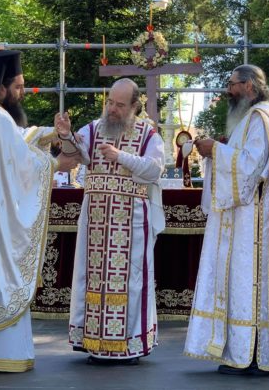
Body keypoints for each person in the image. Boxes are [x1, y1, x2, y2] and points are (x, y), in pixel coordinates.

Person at [0, 50, 80, 373]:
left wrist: (50, 132)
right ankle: (4, 353)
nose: (22, 92)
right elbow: (21, 163)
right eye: (18, 86)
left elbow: (17, 142)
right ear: (0, 87)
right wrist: (55, 165)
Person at [185, 64, 269, 374]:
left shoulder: (260, 117)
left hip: (254, 223)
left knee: (249, 282)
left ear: (249, 86)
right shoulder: (251, 118)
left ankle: (251, 354)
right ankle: (242, 351)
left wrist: (216, 151)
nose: (229, 90)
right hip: (244, 218)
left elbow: (251, 167)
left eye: (233, 84)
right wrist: (222, 148)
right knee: (241, 283)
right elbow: (245, 158)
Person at [68, 78, 165, 364]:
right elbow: (77, 154)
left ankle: (129, 346)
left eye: (120, 105)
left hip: (131, 224)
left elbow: (154, 170)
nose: (112, 109)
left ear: (135, 106)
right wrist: (65, 136)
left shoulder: (149, 135)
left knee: (131, 283)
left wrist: (120, 156)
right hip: (96, 224)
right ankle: (93, 342)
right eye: (110, 102)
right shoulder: (92, 129)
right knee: (91, 279)